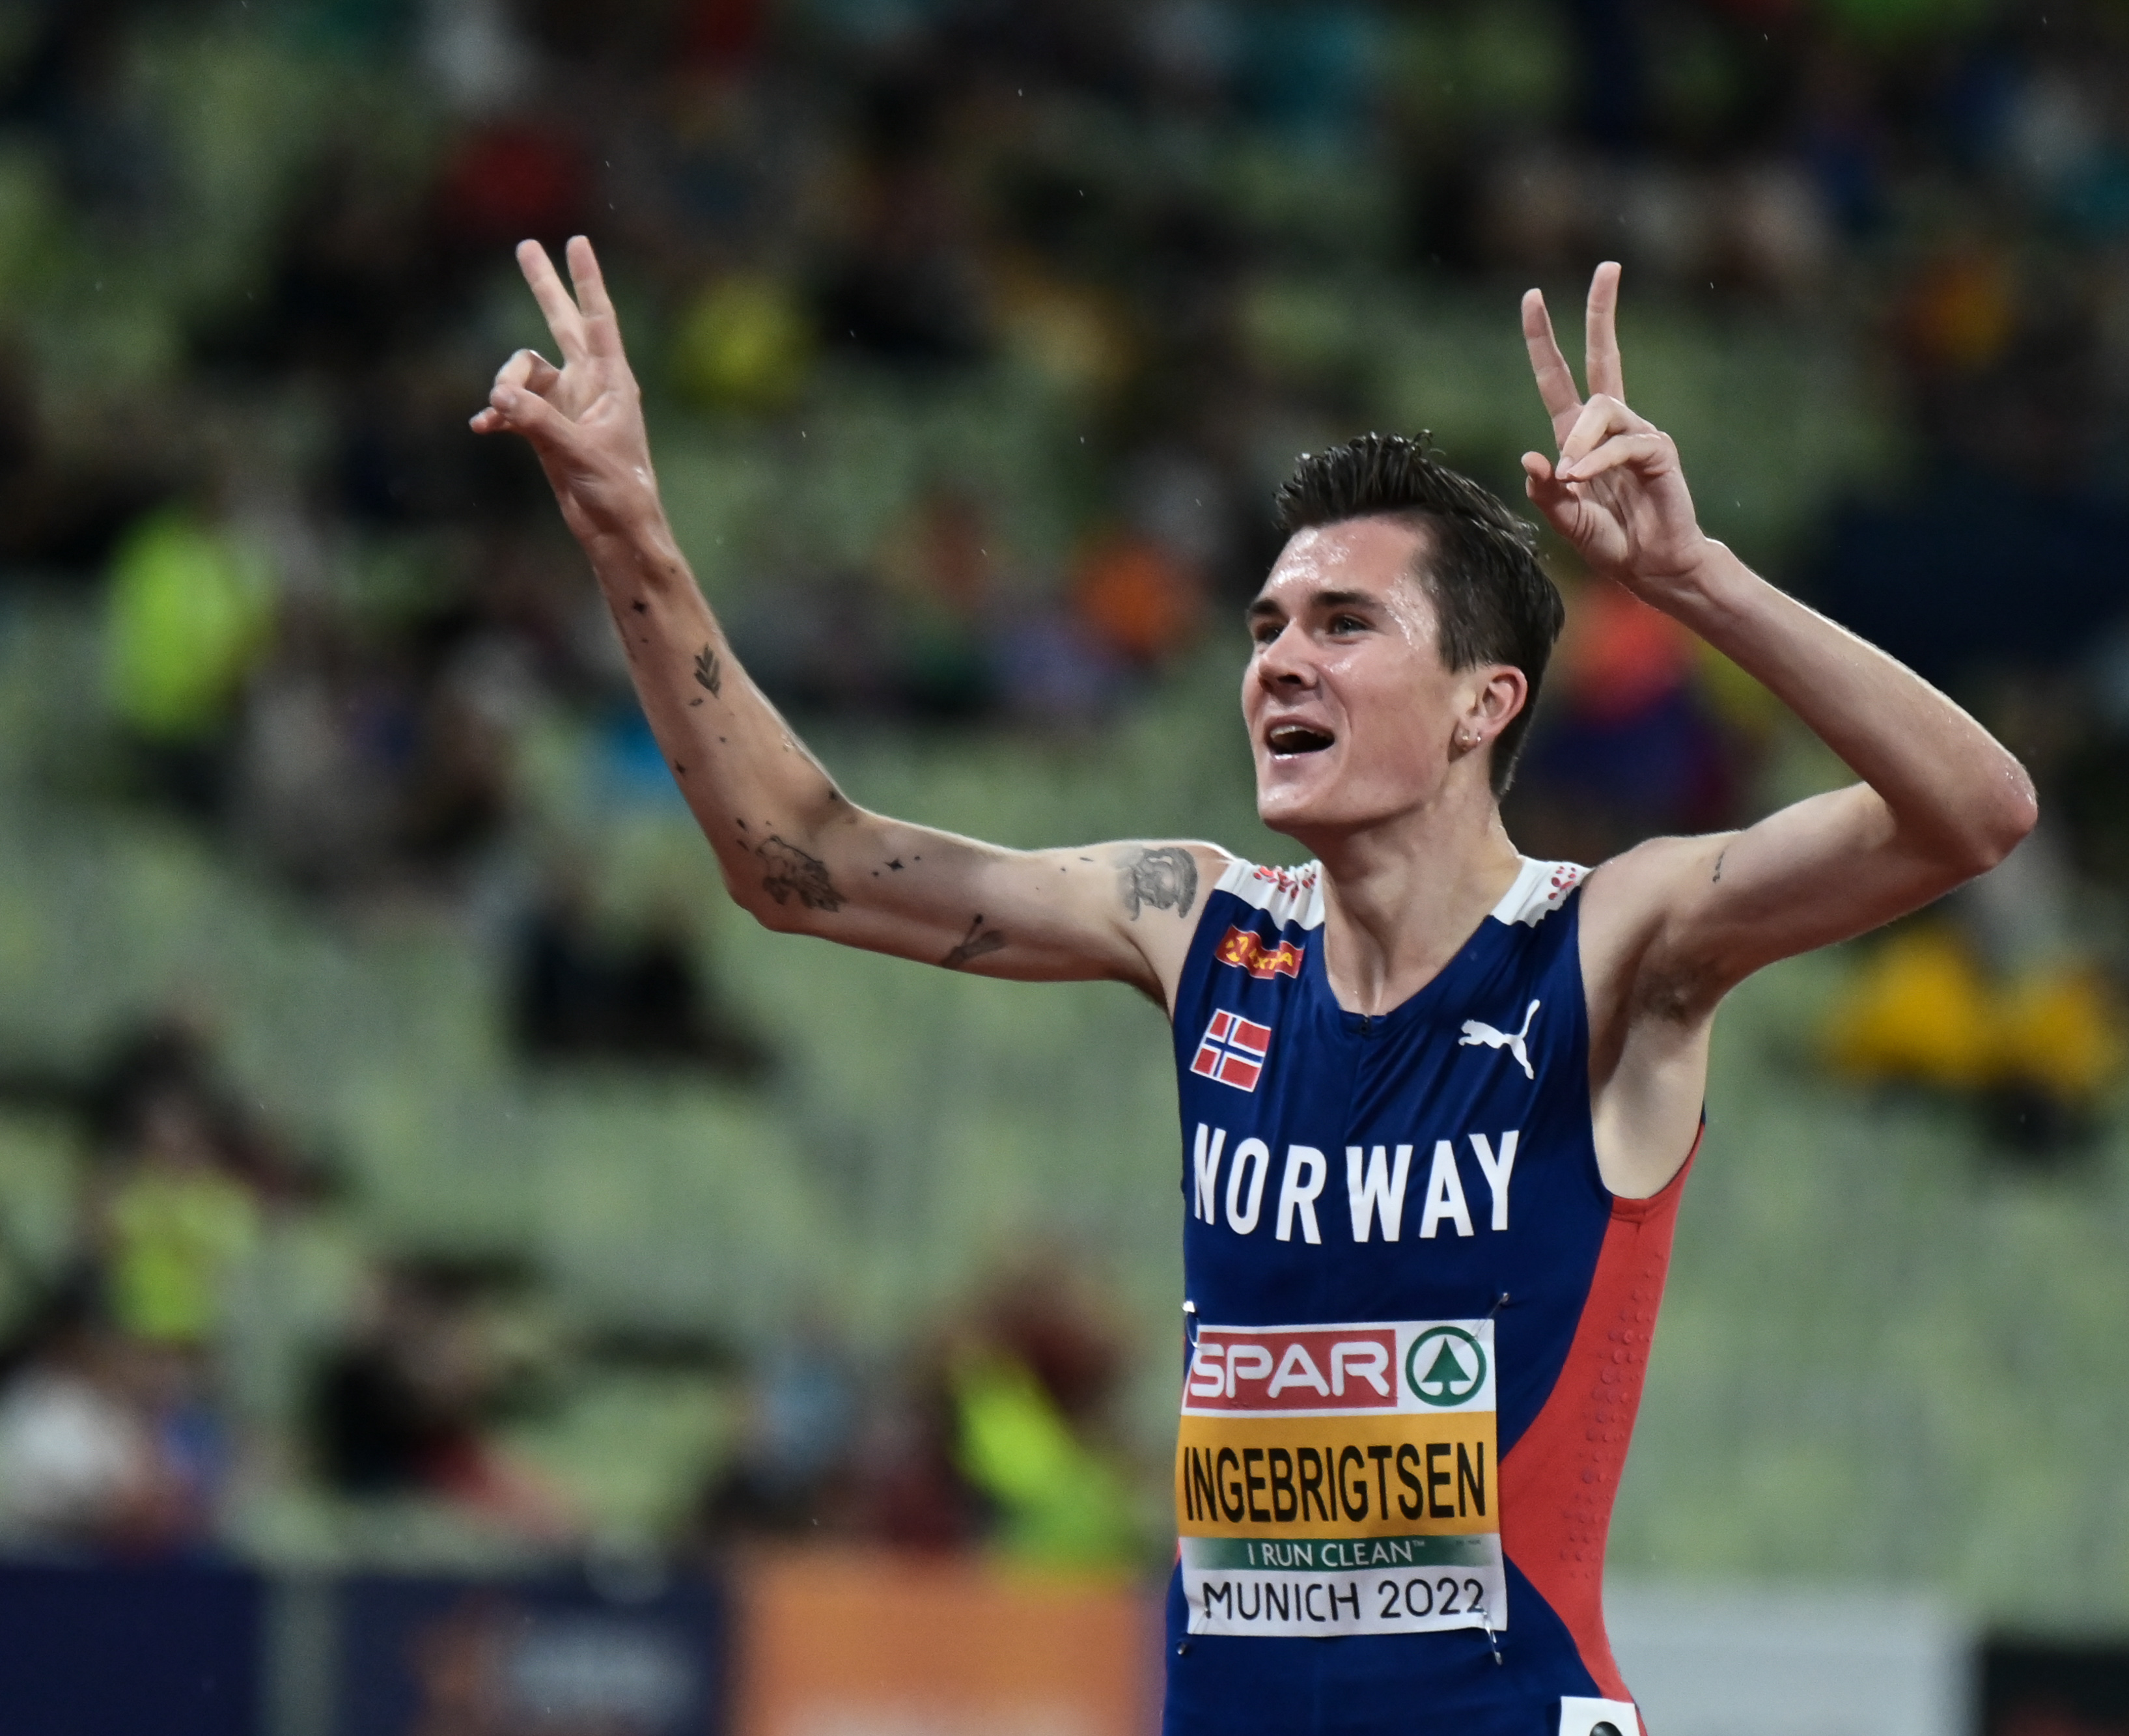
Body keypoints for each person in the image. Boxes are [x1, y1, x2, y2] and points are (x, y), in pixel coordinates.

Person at [475, 238, 2035, 1734]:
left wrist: (1696, 582)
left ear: (1483, 702)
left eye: (1344, 624)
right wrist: (631, 537)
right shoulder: (1200, 926)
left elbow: (1972, 812)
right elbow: (798, 862)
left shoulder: (1611, 943)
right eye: (1268, 625)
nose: (1279, 659)